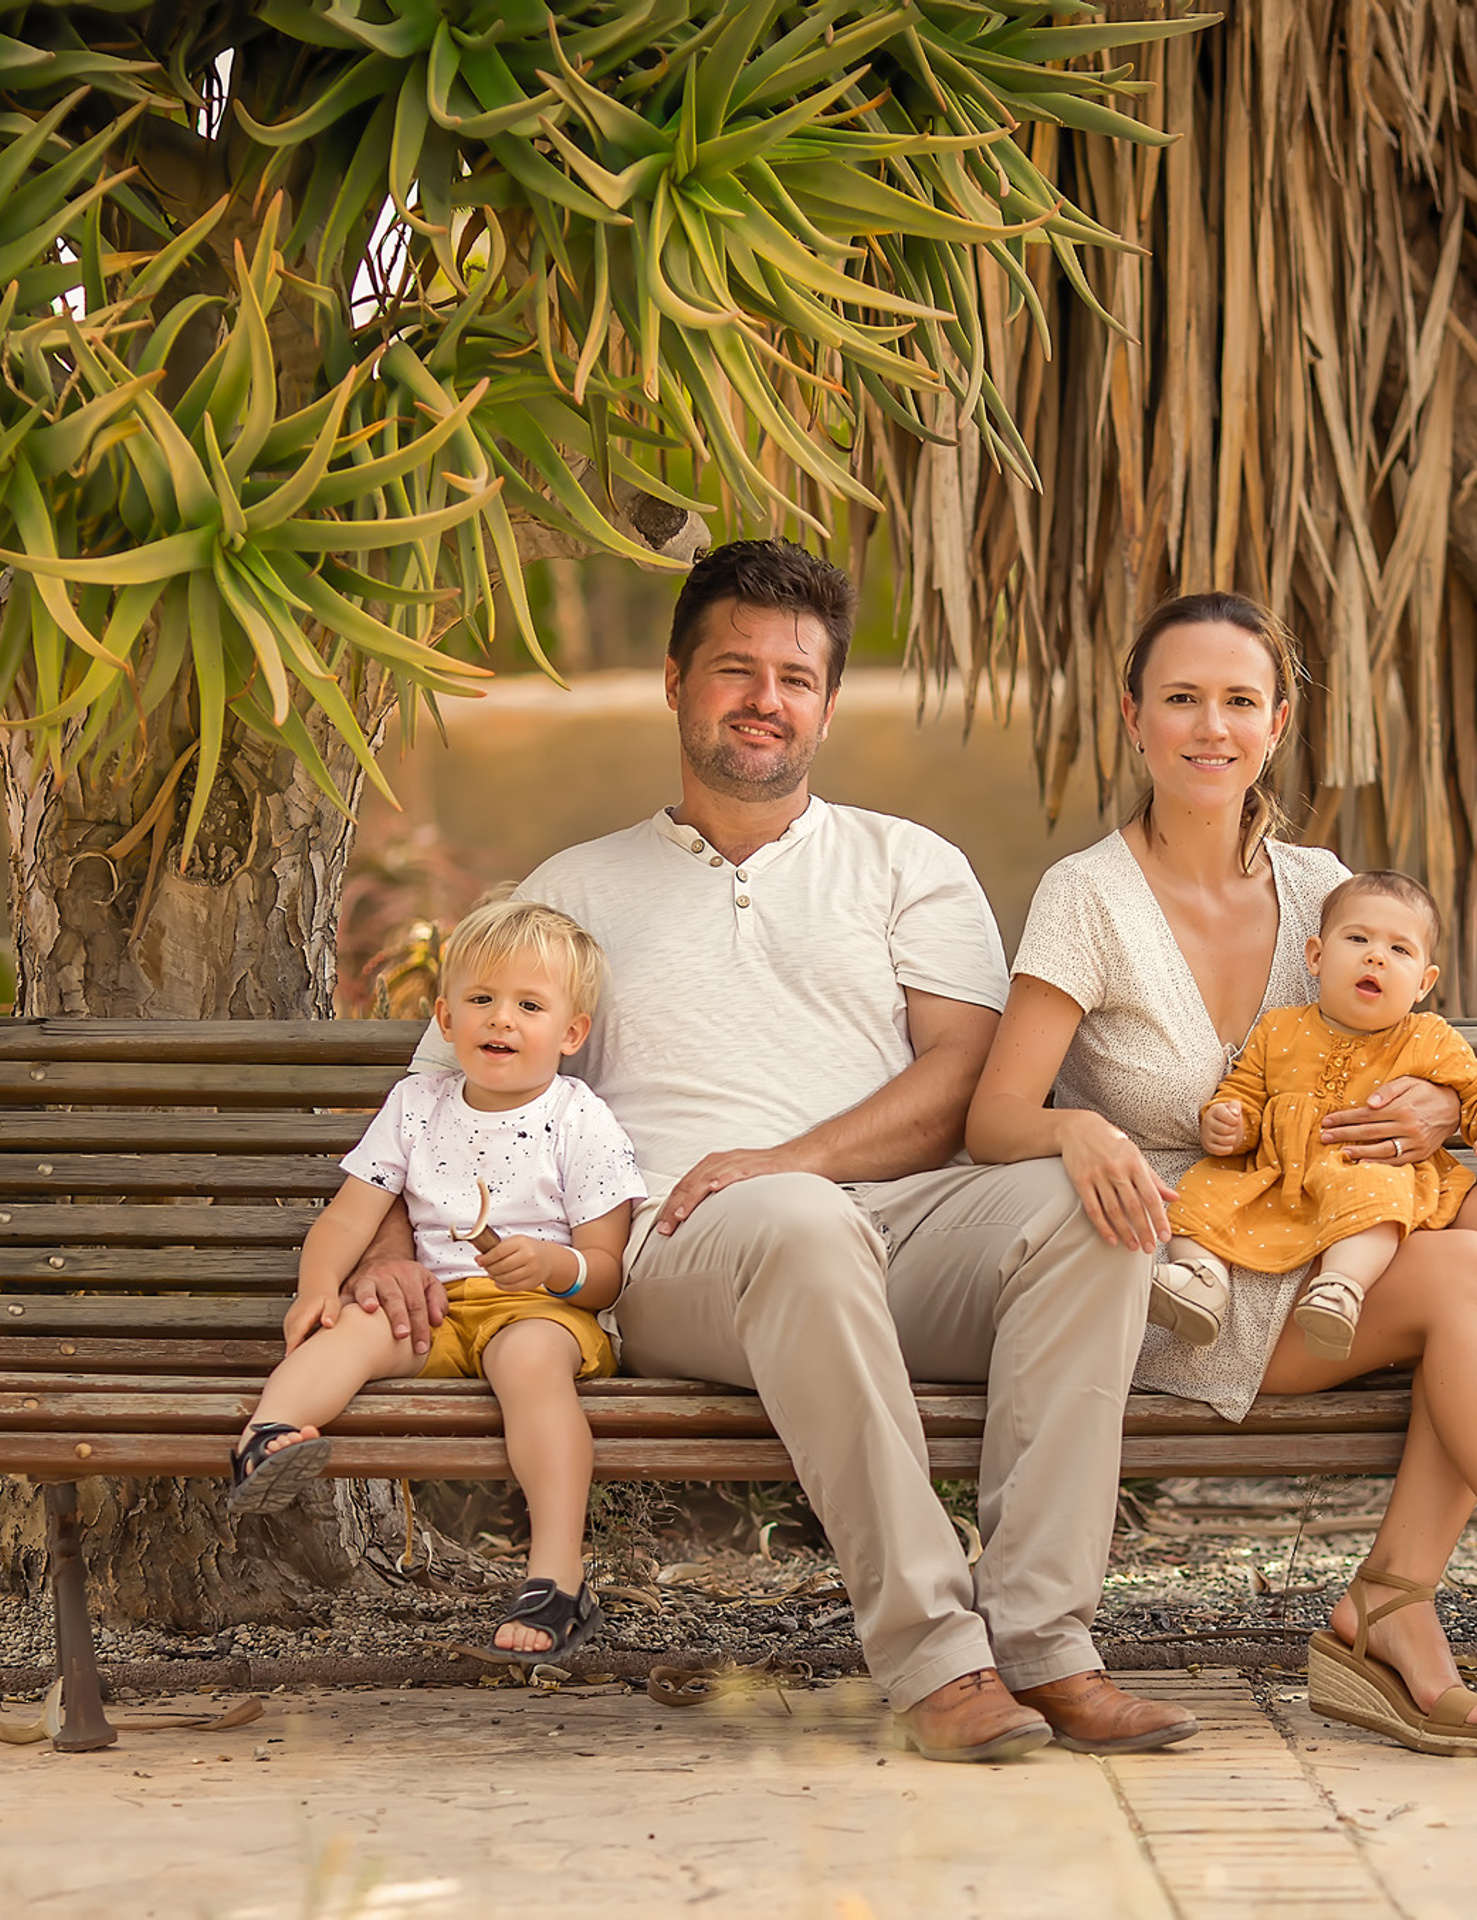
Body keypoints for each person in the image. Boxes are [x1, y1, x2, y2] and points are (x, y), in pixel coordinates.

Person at [342, 540, 1197, 1763]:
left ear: (828, 706)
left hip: (893, 1227)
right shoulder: (575, 888)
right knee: (800, 1224)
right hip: (685, 1249)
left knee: (1088, 1213)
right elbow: (436, 1094)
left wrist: (795, 1155)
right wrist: (387, 1246)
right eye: (735, 670)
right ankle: (938, 1658)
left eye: (796, 678)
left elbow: (961, 1075)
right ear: (676, 683)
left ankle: (1046, 1645)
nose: (766, 699)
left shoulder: (909, 864)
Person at [967, 591, 1477, 1772]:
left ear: (1278, 723)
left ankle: (1394, 1596)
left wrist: (1434, 1110)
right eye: (1181, 699)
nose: (1211, 727)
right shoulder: (1087, 896)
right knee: (1468, 1275)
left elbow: (1413, 1050)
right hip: (1185, 1272)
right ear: (1132, 716)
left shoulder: (1322, 886)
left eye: (1240, 701)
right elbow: (995, 1117)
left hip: (1336, 1242)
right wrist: (1076, 1134)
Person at [230, 900, 646, 1665]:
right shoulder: (416, 1106)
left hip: (539, 1313)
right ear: (446, 1019)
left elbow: (606, 1273)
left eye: (530, 1005)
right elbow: (348, 1219)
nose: (502, 1018)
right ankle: (270, 1436)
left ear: (572, 1032)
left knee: (530, 1365)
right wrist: (317, 1288)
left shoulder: (580, 1120)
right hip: (438, 1308)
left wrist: (553, 1267)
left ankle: (557, 1575)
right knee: (355, 1326)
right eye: (482, 999)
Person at [1156, 869, 1477, 1360]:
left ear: (1424, 982)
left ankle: (1340, 1288)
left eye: (1400, 949)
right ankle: (1201, 1279)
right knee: (1203, 1188)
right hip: (1276, 1177)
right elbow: (1244, 1092)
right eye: (1357, 939)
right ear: (1316, 956)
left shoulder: (1427, 1038)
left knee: (1379, 1189)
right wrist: (1230, 1122)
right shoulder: (1279, 1028)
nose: (1376, 956)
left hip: (1362, 1169)